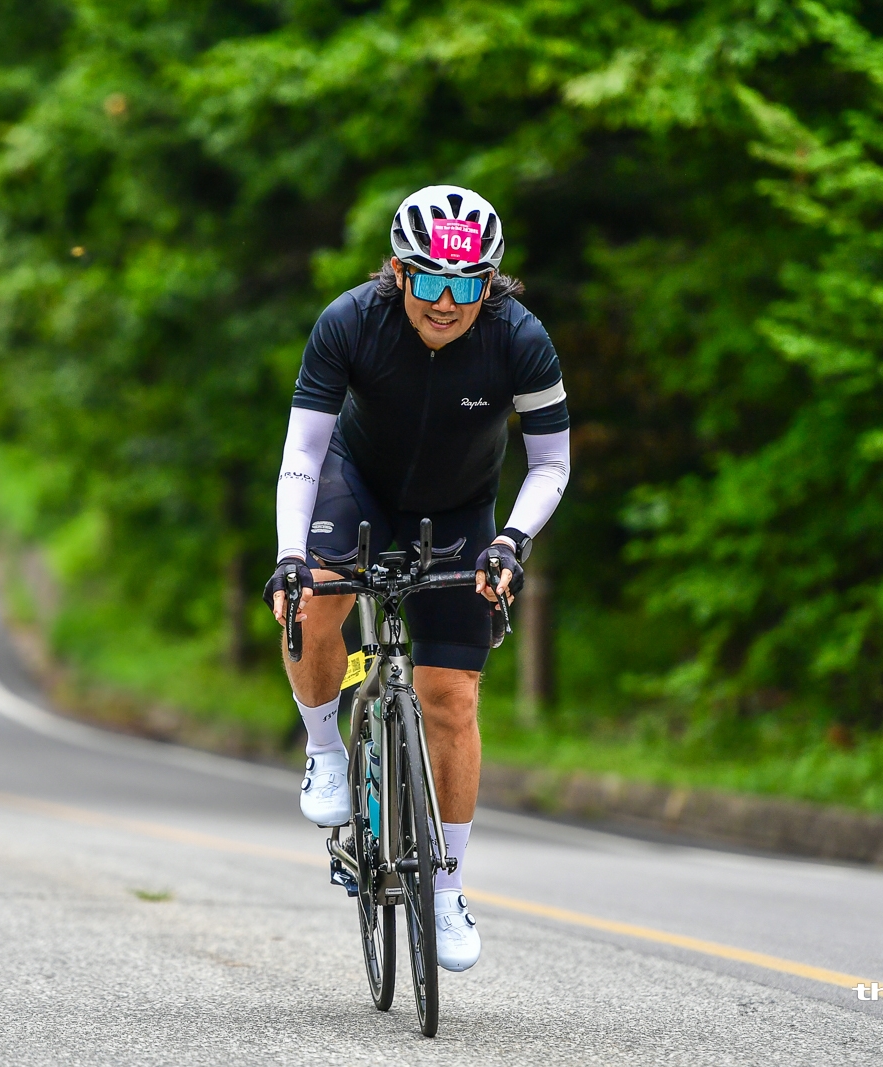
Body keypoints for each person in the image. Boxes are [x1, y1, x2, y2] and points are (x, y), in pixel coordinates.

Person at [264, 186, 571, 973]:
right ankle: (325, 749)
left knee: (451, 698)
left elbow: (550, 463)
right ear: (398, 272)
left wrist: (510, 541)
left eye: (465, 285)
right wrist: (291, 553)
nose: (445, 302)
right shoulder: (350, 320)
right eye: (428, 280)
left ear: (490, 283)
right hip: (357, 485)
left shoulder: (520, 337)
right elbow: (304, 449)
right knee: (317, 595)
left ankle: (446, 889)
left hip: (461, 510)